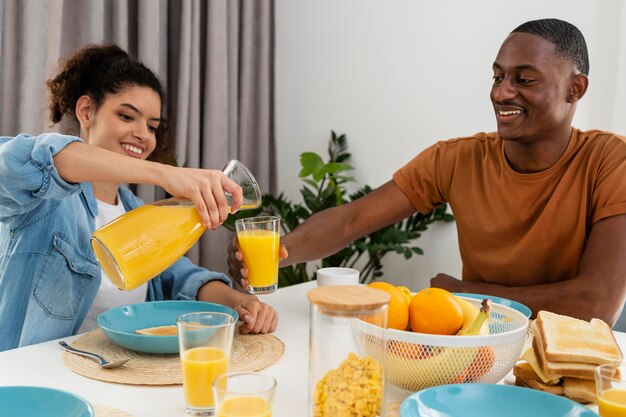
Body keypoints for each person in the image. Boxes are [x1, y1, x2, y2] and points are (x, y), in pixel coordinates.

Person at [228, 18, 626, 326]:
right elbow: (352, 220)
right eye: (497, 76)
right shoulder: (457, 158)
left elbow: (594, 304)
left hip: (569, 361)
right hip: (480, 342)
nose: (501, 92)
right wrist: (280, 252)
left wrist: (465, 293)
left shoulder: (611, 161)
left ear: (575, 89)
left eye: (524, 79)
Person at [0, 44, 278, 351]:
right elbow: (37, 159)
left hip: (118, 372)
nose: (143, 135)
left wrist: (242, 303)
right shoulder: (40, 200)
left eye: (152, 126)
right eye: (127, 116)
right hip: (38, 379)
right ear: (86, 111)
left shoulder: (137, 211)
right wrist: (166, 174)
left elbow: (181, 277)